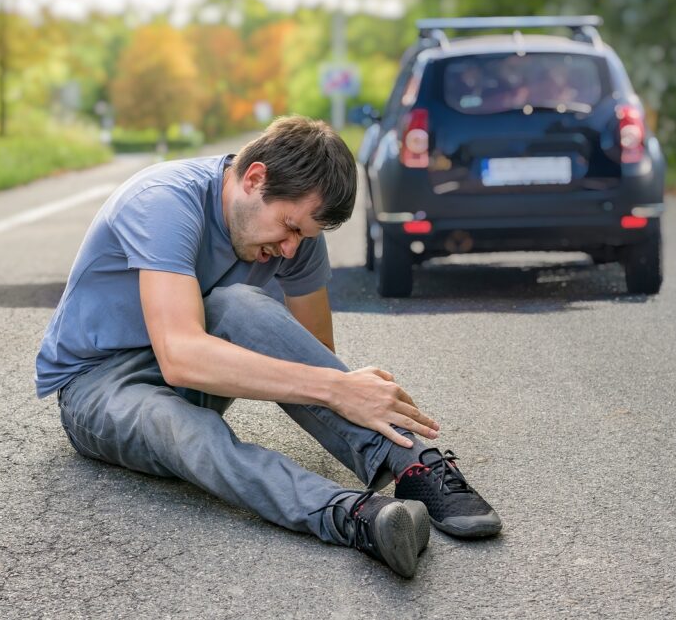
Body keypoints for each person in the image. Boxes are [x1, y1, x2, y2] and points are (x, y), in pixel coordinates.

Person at [35, 116, 501, 578]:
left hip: (191, 367)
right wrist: (338, 387)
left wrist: (343, 390)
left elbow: (308, 350)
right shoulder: (162, 202)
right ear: (254, 178)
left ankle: (415, 467)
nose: (292, 248)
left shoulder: (295, 239)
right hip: (98, 385)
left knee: (239, 303)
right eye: (289, 227)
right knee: (186, 428)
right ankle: (354, 516)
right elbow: (179, 356)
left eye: (305, 236)